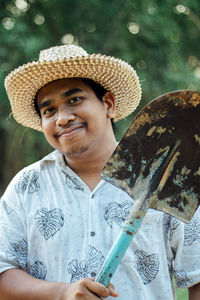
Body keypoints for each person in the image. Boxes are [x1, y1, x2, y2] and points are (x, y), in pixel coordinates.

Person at [0, 45, 199, 300]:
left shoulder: (164, 178)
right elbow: (3, 272)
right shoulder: (26, 186)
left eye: (75, 99)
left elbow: (197, 276)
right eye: (49, 110)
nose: (62, 118)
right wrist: (62, 293)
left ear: (108, 104)